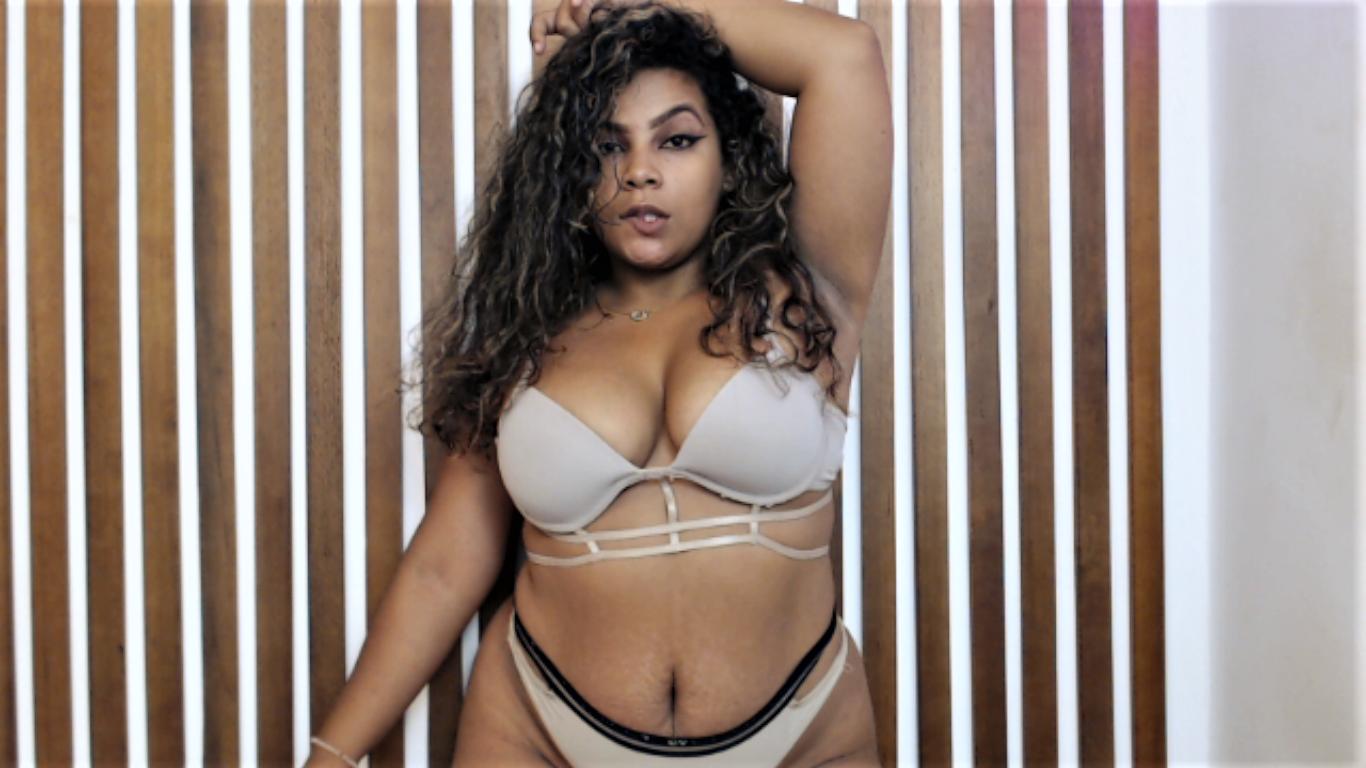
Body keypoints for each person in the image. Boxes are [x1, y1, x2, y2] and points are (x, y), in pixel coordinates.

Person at [304, 0, 891, 765]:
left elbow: (843, 55)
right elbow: (446, 566)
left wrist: (641, 5)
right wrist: (332, 754)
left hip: (802, 734)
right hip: (537, 728)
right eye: (607, 145)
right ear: (571, 171)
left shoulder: (804, 296)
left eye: (677, 139)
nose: (640, 170)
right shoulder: (524, 331)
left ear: (728, 158)